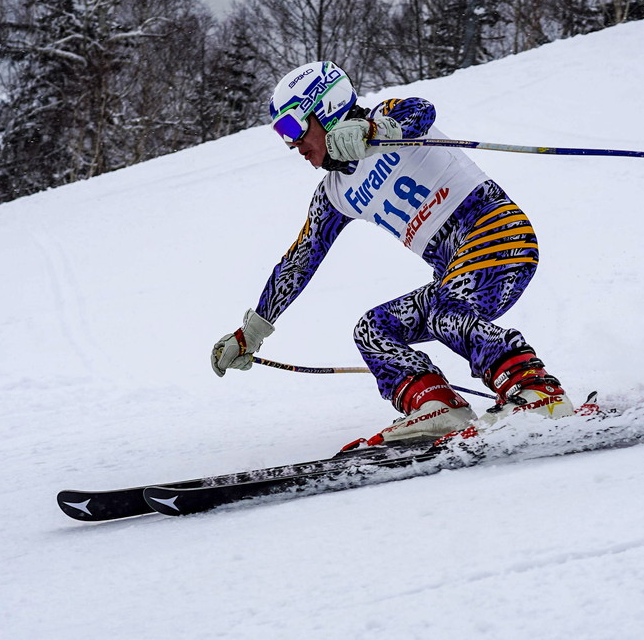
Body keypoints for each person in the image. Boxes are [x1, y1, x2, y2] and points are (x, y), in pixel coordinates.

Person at [211, 61, 574, 447]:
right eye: (283, 135)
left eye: (293, 128)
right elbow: (298, 261)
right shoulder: (333, 194)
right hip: (454, 271)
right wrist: (252, 332)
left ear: (326, 108)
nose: (293, 144)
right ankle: (437, 406)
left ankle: (537, 393)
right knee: (374, 329)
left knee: (445, 312)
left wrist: (373, 131)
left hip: (498, 234)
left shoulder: (389, 119)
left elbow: (422, 110)